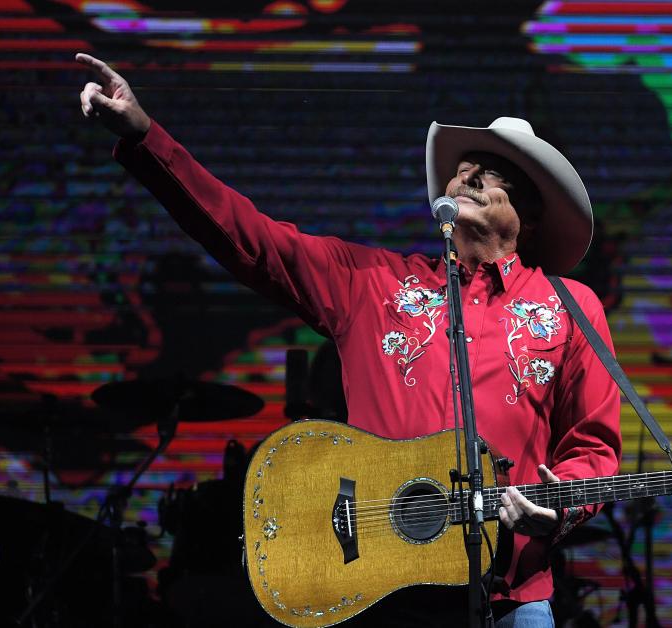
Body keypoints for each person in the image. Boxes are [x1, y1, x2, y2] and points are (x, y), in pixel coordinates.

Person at [76, 52, 622, 628]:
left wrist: (558, 506)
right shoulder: (372, 284)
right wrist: (145, 138)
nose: (469, 177)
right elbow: (253, 240)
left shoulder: (570, 308)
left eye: (495, 174)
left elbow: (595, 448)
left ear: (529, 218)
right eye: (464, 169)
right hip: (376, 590)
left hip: (511, 596)